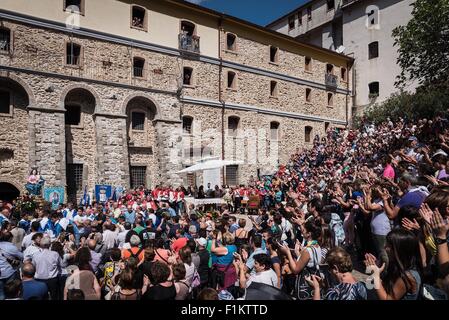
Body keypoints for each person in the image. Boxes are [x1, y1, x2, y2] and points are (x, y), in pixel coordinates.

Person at [364, 228, 422, 300]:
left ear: (399, 250)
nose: (385, 247)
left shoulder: (408, 276)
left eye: (389, 245)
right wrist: (376, 268)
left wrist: (375, 275)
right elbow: (378, 286)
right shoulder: (396, 266)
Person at [32, 236, 62, 300]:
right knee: (54, 297)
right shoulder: (55, 254)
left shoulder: (35, 255)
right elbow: (61, 264)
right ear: (49, 244)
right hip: (52, 280)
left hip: (39, 279)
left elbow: (33, 267)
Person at [0, 231, 23, 300]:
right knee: (11, 291)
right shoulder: (11, 247)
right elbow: (22, 256)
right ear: (10, 238)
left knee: (1, 293)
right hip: (9, 272)